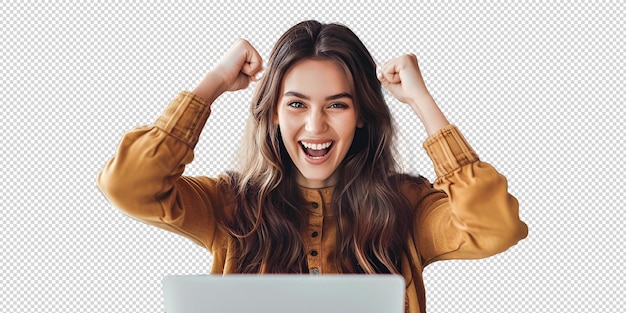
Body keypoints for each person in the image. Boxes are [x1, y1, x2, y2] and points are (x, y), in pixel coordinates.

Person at [97, 20, 528, 313]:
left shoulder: (407, 208)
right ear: (274, 114)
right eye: (297, 104)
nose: (315, 126)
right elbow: (130, 184)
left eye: (337, 105)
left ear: (361, 114)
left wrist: (422, 102)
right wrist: (211, 85)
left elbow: (495, 226)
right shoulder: (230, 205)